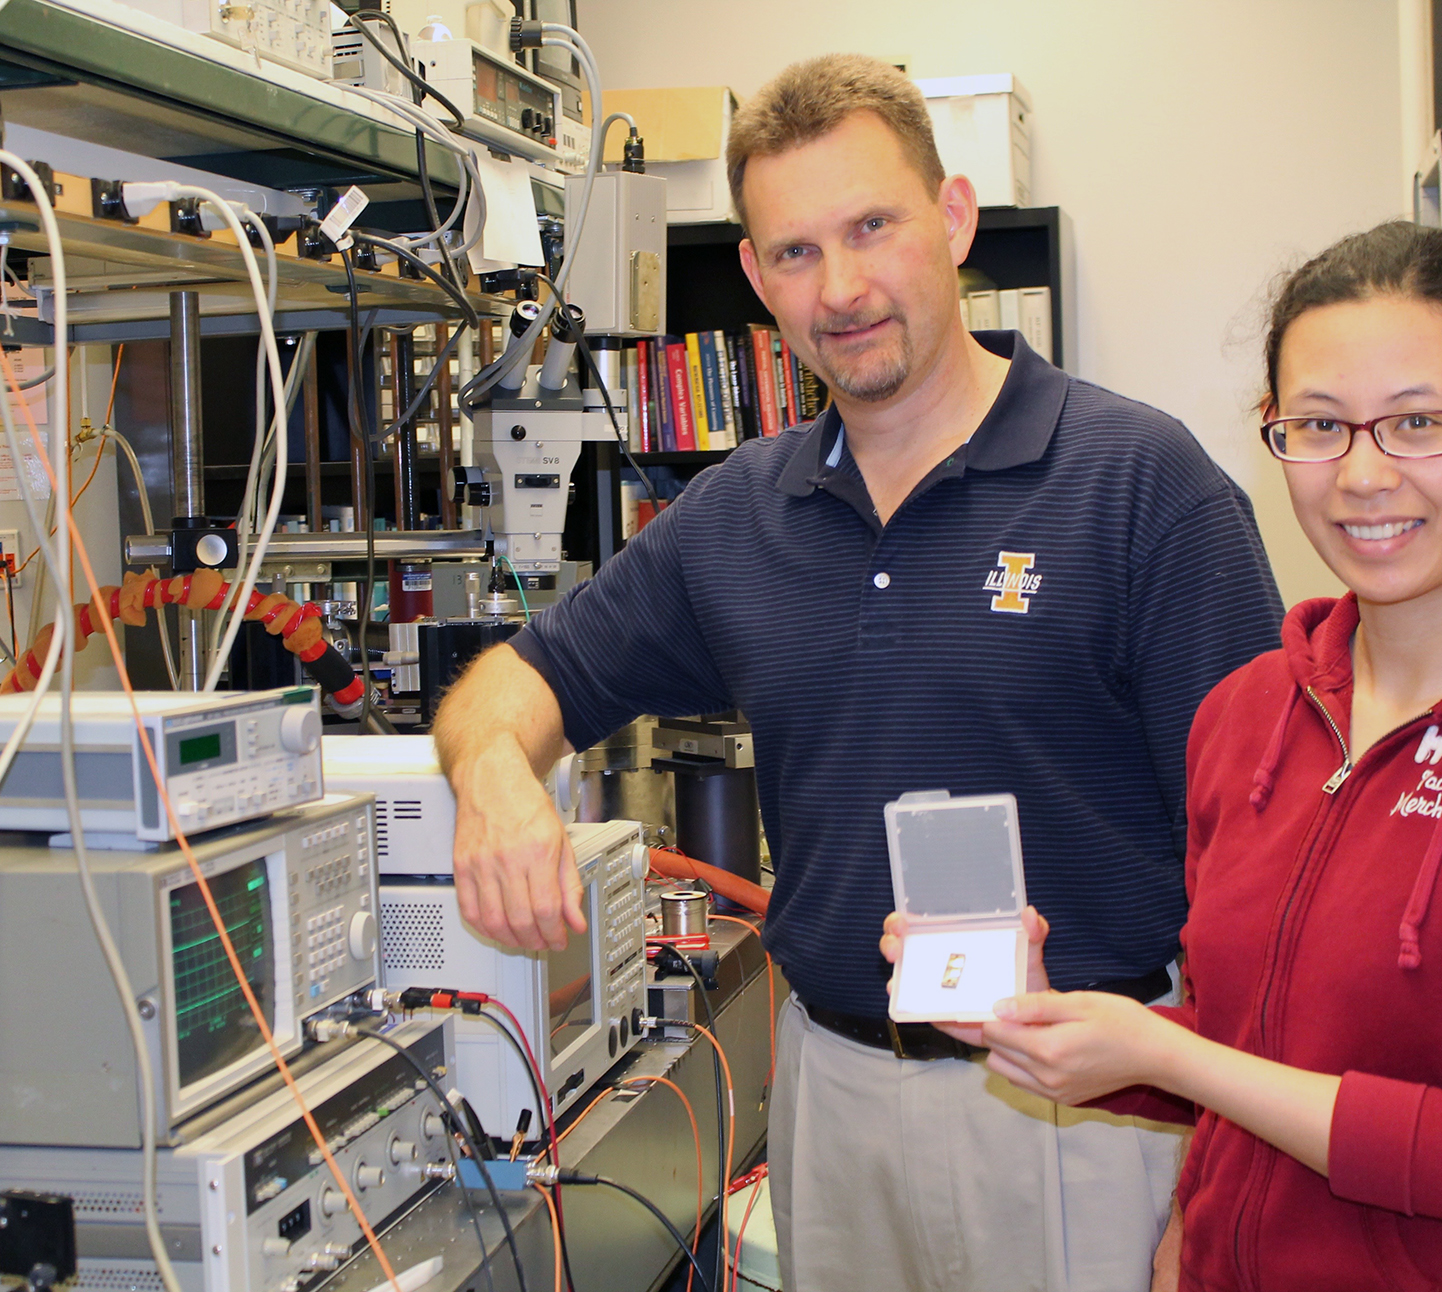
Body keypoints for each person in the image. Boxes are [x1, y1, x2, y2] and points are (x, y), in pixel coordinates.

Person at [437, 53, 1284, 1292]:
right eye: (794, 252)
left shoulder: (1142, 486)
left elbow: (1260, 872)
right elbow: (510, 686)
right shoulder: (733, 517)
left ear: (952, 217)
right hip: (834, 1103)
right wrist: (497, 775)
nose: (840, 288)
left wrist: (1216, 1181)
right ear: (754, 279)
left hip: (1087, 1109)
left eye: (873, 226)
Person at [885, 220, 1442, 1291]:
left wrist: (1162, 1052)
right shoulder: (1249, 711)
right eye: (1320, 425)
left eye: (1419, 421)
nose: (1365, 475)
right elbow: (1243, 1049)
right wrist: (1059, 1020)